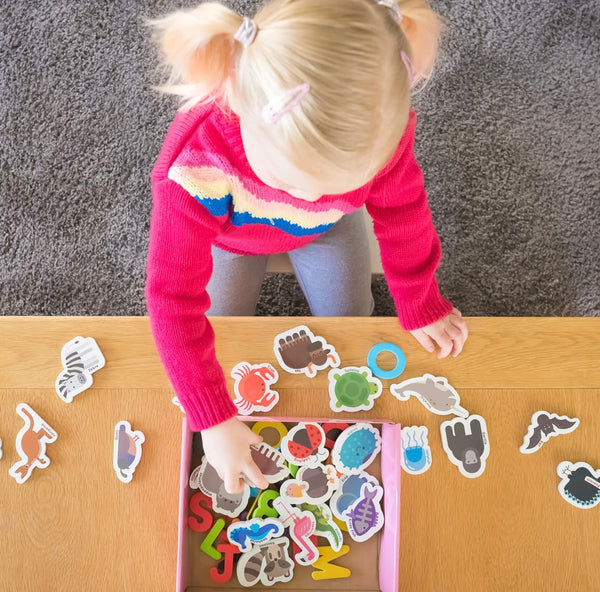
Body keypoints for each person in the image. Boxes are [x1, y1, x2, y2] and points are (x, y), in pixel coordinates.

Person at [145, 0, 468, 493]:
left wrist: (420, 300)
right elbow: (172, 299)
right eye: (290, 180)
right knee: (227, 336)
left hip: (326, 230)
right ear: (236, 97)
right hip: (231, 237)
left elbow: (403, 214)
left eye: (338, 184)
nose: (313, 196)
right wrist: (211, 417)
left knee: (349, 322)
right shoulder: (194, 168)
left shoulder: (381, 132)